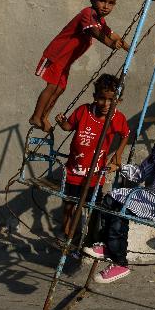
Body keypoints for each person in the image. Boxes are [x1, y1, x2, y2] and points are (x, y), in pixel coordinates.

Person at [83, 110, 155, 283]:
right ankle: (110, 249)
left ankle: (119, 261)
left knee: (122, 207)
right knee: (111, 198)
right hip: (149, 197)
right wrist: (120, 167)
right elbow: (140, 174)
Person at [29, 0, 130, 132]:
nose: (106, 6)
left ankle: (44, 117)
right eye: (102, 0)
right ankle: (36, 116)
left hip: (65, 62)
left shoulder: (100, 20)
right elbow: (94, 32)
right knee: (52, 86)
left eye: (111, 3)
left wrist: (127, 46)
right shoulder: (88, 14)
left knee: (60, 89)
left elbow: (110, 33)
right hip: (56, 55)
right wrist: (110, 44)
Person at [54, 74, 130, 243]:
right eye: (102, 99)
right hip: (73, 171)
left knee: (93, 207)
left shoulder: (117, 118)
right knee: (68, 204)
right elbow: (68, 126)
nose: (106, 104)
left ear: (118, 100)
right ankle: (66, 233)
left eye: (111, 100)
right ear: (95, 97)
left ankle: (90, 239)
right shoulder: (84, 111)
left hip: (95, 176)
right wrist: (62, 122)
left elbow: (126, 134)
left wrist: (117, 158)